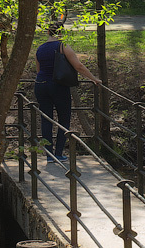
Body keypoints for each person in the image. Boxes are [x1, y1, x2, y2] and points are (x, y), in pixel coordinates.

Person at [33, 22, 99, 162]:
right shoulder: (62, 46)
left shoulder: (39, 49)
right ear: (62, 33)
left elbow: (38, 71)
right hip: (58, 85)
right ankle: (58, 153)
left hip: (40, 85)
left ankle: (49, 155)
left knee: (46, 119)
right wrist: (94, 79)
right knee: (63, 119)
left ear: (48, 33)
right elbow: (78, 66)